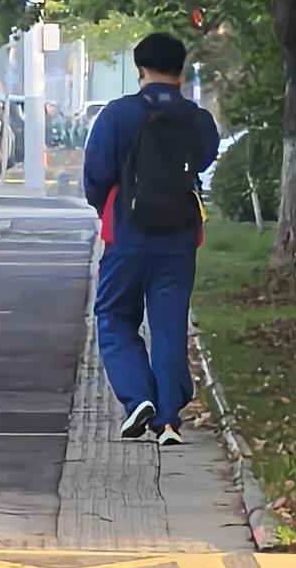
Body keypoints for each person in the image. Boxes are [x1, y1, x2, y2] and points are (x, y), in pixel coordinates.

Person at [83, 31, 220, 449]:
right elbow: (205, 157)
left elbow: (96, 176)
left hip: (128, 233)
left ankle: (138, 395)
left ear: (140, 69)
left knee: (114, 316)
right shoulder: (197, 119)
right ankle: (167, 419)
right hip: (179, 238)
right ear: (180, 71)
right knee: (168, 325)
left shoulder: (117, 115)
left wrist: (109, 205)